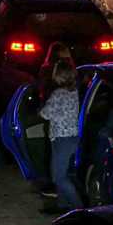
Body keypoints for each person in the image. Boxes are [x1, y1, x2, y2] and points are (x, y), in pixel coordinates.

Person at [40, 60, 82, 211]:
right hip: (73, 137)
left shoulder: (58, 94)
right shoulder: (77, 92)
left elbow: (45, 114)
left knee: (58, 176)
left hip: (60, 138)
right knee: (61, 173)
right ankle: (62, 204)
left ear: (59, 75)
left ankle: (79, 208)